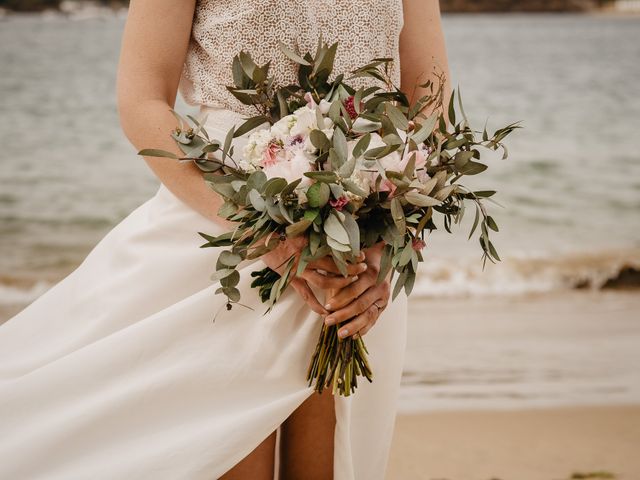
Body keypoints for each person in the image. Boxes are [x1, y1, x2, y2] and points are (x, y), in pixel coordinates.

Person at [0, 0, 450, 478]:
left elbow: (429, 100)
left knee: (337, 461)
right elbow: (142, 99)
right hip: (225, 221)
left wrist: (390, 240)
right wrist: (260, 232)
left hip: (365, 226)